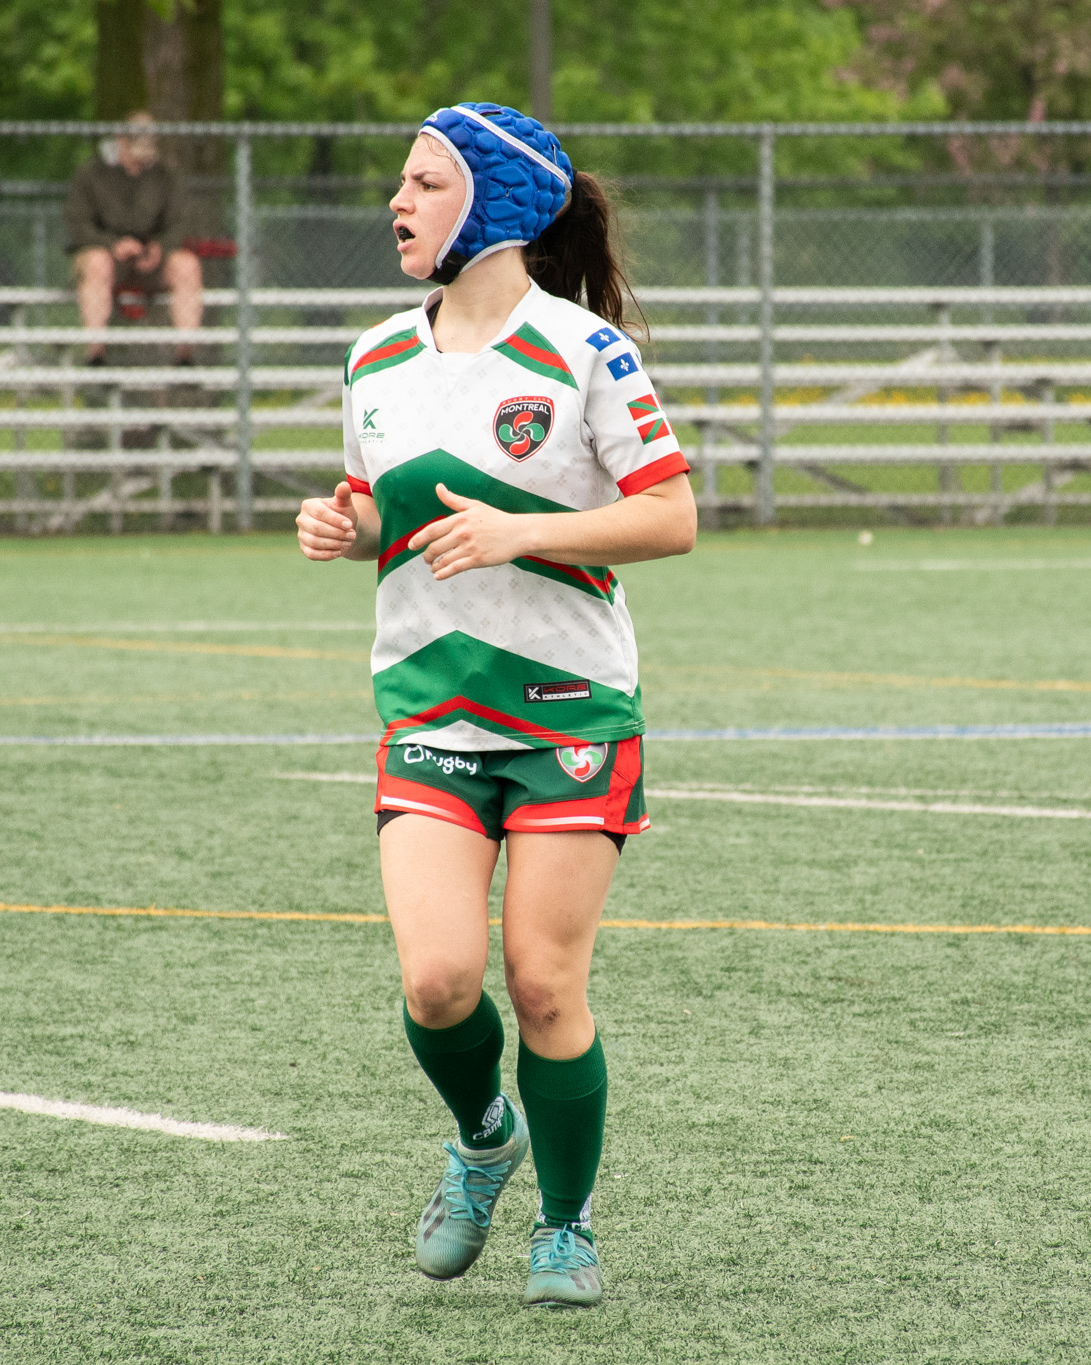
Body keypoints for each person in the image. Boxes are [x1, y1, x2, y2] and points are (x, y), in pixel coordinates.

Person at [296, 103, 696, 1309]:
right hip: (427, 709)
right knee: (437, 983)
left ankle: (564, 1228)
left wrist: (522, 531)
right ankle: (482, 1139)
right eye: (399, 183)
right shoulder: (373, 356)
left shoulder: (584, 352)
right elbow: (382, 504)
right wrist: (348, 527)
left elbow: (669, 516)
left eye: (423, 183)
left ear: (494, 207)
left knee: (542, 984)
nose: (396, 202)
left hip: (570, 717)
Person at [64, 111, 204, 365]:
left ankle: (185, 357)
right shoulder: (91, 174)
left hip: (151, 260)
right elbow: (78, 224)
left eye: (149, 145)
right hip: (105, 257)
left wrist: (159, 248)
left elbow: (181, 222)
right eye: (138, 145)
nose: (144, 153)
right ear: (121, 140)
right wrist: (113, 245)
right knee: (96, 262)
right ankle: (96, 355)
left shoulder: (164, 175)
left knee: (187, 265)